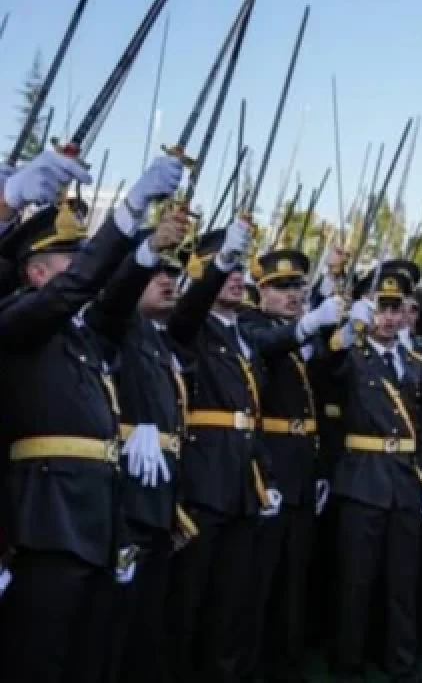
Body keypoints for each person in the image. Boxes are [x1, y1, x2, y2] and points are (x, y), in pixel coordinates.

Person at [0, 152, 185, 682]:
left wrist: (145, 246)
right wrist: (126, 210)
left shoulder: (83, 333)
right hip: (48, 516)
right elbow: (76, 287)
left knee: (90, 653)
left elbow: (113, 294)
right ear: (37, 273)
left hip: (99, 512)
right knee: (42, 655)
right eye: (70, 258)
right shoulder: (18, 317)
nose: (84, 266)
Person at [165, 217, 284, 682]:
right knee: (188, 601)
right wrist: (218, 264)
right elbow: (188, 308)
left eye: (239, 270)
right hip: (202, 480)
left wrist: (266, 478)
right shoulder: (191, 324)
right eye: (227, 269)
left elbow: (252, 419)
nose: (237, 277)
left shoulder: (243, 336)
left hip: (242, 482)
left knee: (231, 605)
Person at [318, 268, 422, 682]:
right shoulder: (352, 355)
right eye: (381, 308)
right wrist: (345, 328)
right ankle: (348, 664)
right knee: (356, 581)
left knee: (402, 583)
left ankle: (402, 665)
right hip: (362, 479)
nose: (389, 318)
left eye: (396, 309)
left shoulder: (413, 362)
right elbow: (326, 371)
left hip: (405, 481)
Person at [241, 247, 344, 682]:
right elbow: (268, 346)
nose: (293, 295)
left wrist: (337, 342)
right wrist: (309, 325)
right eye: (281, 287)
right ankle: (253, 664)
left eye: (298, 286)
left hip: (304, 466)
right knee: (259, 579)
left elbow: (324, 399)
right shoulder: (252, 326)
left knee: (294, 579)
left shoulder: (309, 336)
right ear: (261, 292)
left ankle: (288, 663)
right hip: (270, 464)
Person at [102, 219, 197, 683]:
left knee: (148, 618)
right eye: (156, 271)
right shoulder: (119, 325)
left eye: (173, 272)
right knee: (118, 619)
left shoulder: (160, 340)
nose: (168, 278)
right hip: (124, 494)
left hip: (160, 493)